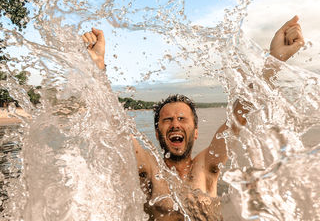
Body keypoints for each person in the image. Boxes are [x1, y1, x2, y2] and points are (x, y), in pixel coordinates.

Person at [82, 15, 304, 220]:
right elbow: (117, 130)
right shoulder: (150, 168)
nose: (175, 124)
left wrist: (274, 60)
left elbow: (239, 114)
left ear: (196, 132)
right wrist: (98, 69)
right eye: (167, 120)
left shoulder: (207, 165)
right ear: (158, 130)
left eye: (182, 119)